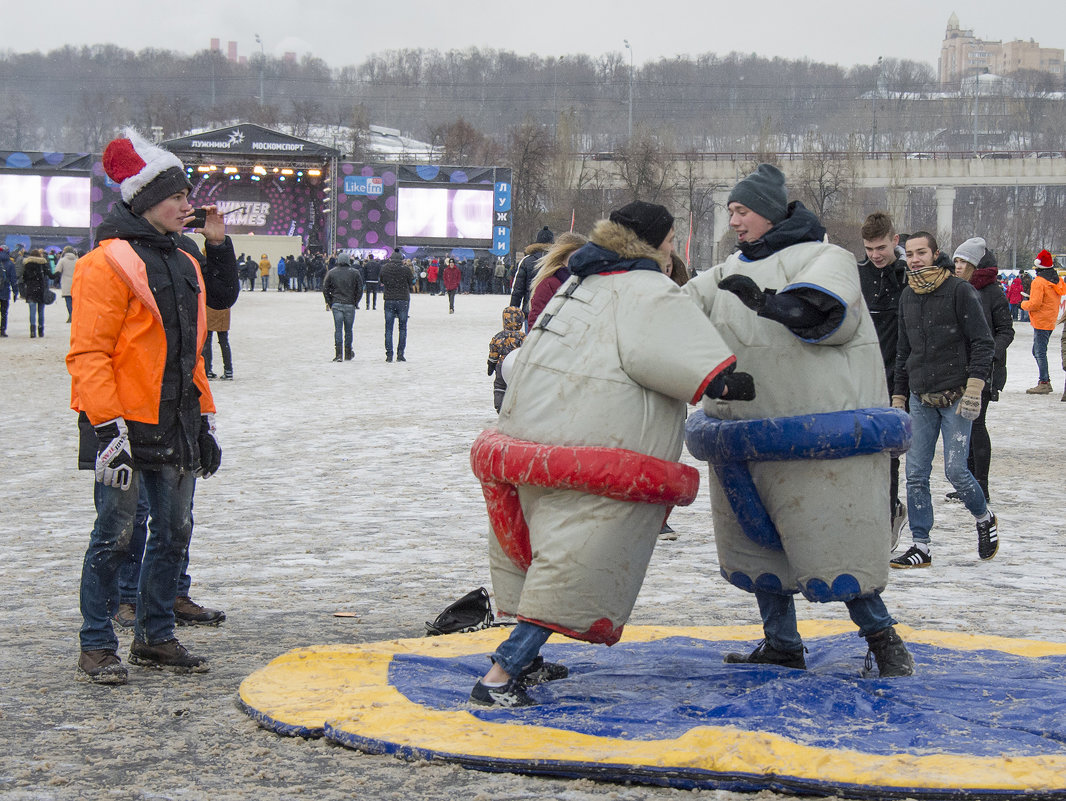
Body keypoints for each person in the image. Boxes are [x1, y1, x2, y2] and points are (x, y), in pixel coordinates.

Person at [471, 200, 753, 707]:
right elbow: (690, 364)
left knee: (538, 552)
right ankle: (501, 675)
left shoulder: (579, 282)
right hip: (598, 449)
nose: (672, 249)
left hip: (532, 440)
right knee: (577, 561)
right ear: (655, 241)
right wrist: (730, 384)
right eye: (669, 240)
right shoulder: (646, 290)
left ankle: (528, 663)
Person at [684, 163, 914, 678]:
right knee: (759, 546)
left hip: (817, 439)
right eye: (731, 213)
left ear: (766, 211)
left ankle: (884, 642)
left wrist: (768, 304)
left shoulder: (823, 256)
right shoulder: (725, 270)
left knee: (833, 543)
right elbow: (672, 314)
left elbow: (822, 314)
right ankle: (782, 642)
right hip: (744, 435)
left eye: (741, 212)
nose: (735, 222)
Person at [68, 127, 232, 683]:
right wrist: (106, 432)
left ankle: (155, 636)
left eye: (187, 196)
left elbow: (193, 355)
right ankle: (96, 644)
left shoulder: (185, 263)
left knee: (173, 533)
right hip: (123, 423)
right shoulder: (104, 263)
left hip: (178, 422)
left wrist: (205, 419)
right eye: (178, 197)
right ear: (144, 200)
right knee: (114, 535)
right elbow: (89, 354)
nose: (188, 206)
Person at [889, 231, 997, 570]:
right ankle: (921, 544)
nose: (916, 259)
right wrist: (898, 395)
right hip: (921, 397)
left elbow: (983, 342)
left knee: (956, 470)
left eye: (922, 252)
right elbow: (904, 351)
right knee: (916, 473)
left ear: (936, 254)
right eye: (910, 253)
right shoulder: (907, 295)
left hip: (957, 395)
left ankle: (984, 516)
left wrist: (975, 387)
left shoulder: (959, 291)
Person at [857, 211, 910, 544]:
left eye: (881, 247)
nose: (875, 255)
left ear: (895, 240)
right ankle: (870, 514)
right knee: (861, 453)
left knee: (889, 454)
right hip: (861, 375)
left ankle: (889, 514)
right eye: (869, 248)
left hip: (897, 375)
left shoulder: (907, 274)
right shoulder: (857, 273)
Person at [950, 238, 1014, 502]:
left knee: (976, 425)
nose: (957, 266)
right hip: (960, 367)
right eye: (955, 260)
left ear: (975, 264)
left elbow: (1006, 331)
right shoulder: (958, 289)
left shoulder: (992, 292)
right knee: (964, 425)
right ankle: (968, 483)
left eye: (963, 261)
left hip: (985, 369)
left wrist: (989, 356)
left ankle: (981, 485)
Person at [1020, 249, 1066, 394]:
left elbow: (1035, 304)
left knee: (1039, 352)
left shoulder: (1039, 282)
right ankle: (1044, 380)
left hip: (1040, 320)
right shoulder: (1056, 280)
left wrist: (1023, 304)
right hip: (1050, 319)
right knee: (1038, 350)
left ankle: (1044, 381)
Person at [527, 233, 587, 329]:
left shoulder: (589, 283)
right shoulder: (549, 284)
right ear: (562, 257)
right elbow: (537, 326)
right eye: (576, 258)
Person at [322, 252, 362, 362]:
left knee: (338, 329)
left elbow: (325, 289)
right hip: (349, 304)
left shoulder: (332, 272)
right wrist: (355, 302)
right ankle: (348, 352)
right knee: (349, 330)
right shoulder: (355, 273)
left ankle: (338, 353)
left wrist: (330, 302)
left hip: (337, 304)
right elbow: (359, 289)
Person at [509, 226, 554, 320]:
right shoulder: (557, 260)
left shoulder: (526, 261)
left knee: (530, 334)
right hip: (551, 310)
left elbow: (518, 290)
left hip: (530, 309)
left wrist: (513, 310)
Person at [486, 306, 525, 412]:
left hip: (502, 365)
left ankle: (500, 405)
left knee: (500, 386)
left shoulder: (498, 337)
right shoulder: (523, 337)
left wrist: (491, 365)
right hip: (519, 365)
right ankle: (519, 406)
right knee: (519, 386)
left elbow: (493, 353)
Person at [380, 249, 413, 362]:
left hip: (389, 299)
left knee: (389, 328)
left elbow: (382, 280)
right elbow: (411, 282)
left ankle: (389, 354)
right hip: (403, 299)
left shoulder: (385, 268)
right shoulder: (406, 270)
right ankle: (400, 354)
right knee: (402, 328)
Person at [20, 249, 51, 338]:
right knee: (41, 311)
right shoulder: (43, 263)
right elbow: (50, 275)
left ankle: (32, 331)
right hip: (40, 289)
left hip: (31, 290)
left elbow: (24, 277)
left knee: (32, 311)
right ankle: (41, 330)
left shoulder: (27, 264)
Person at [203, 302, 234, 380]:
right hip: (224, 308)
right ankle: (228, 370)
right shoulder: (228, 289)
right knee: (224, 341)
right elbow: (235, 292)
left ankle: (208, 369)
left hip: (209, 307)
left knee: (207, 340)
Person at [56, 246, 78, 323]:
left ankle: (70, 314)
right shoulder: (77, 260)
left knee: (68, 300)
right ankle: (75, 315)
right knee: (75, 301)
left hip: (66, 282)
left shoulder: (62, 260)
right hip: (76, 282)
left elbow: (57, 270)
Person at [0, 246, 15, 337]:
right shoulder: (10, 263)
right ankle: (2, 330)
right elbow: (13, 279)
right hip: (5, 290)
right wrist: (15, 291)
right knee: (4, 312)